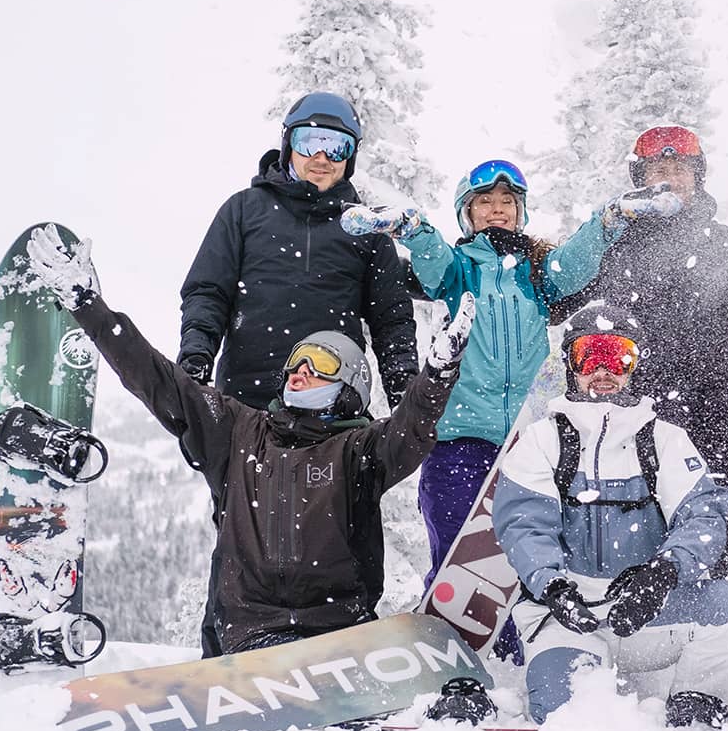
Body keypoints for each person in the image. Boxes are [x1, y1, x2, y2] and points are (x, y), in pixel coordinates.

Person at [24, 224, 475, 657]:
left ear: (351, 385)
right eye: (297, 361)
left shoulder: (360, 451)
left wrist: (437, 375)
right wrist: (88, 306)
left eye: (319, 362)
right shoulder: (239, 432)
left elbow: (410, 430)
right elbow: (157, 378)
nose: (301, 371)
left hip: (339, 637)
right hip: (249, 636)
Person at [340, 159, 680, 602]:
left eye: (507, 201)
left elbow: (576, 262)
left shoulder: (536, 275)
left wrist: (610, 219)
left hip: (529, 442)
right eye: (485, 202)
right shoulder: (458, 270)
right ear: (467, 212)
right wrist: (411, 227)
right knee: (457, 559)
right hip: (459, 439)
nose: (497, 209)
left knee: (531, 556)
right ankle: (453, 643)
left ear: (521, 211)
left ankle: (530, 648)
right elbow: (431, 257)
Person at [552, 125, 728, 664]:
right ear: (640, 178)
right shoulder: (615, 243)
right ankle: (641, 629)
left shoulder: (726, 244)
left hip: (711, 397)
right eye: (658, 170)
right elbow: (559, 300)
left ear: (698, 177)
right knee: (640, 509)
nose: (669, 179)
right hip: (635, 401)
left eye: (680, 169)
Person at [492, 304, 728, 726]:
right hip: (567, 615)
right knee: (564, 718)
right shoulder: (543, 441)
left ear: (635, 365)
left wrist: (664, 573)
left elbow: (703, 516)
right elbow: (523, 525)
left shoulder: (665, 440)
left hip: (643, 611)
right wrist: (553, 586)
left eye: (618, 356)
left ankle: (696, 702)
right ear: (571, 365)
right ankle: (575, 679)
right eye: (589, 356)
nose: (603, 370)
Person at [177, 92, 418, 410]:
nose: (321, 158)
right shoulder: (244, 210)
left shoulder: (364, 229)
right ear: (288, 145)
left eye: (336, 147)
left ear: (350, 157)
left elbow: (392, 320)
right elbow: (208, 293)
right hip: (245, 403)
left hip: (332, 409)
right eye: (309, 142)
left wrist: (406, 397)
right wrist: (195, 358)